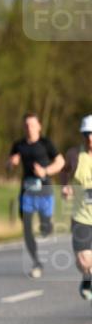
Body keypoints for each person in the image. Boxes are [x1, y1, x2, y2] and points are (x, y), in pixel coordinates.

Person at [7, 113, 65, 278]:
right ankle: (37, 262)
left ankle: (47, 225)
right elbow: (9, 164)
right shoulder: (18, 145)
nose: (29, 128)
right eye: (26, 125)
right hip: (27, 192)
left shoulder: (46, 144)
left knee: (45, 227)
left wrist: (45, 171)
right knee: (26, 229)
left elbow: (60, 162)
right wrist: (12, 163)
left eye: (32, 125)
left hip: (44, 190)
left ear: (39, 126)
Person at [60, 115, 92, 304]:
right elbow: (64, 171)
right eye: (86, 134)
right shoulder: (74, 155)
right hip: (81, 217)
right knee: (84, 261)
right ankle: (87, 277)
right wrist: (65, 186)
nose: (90, 138)